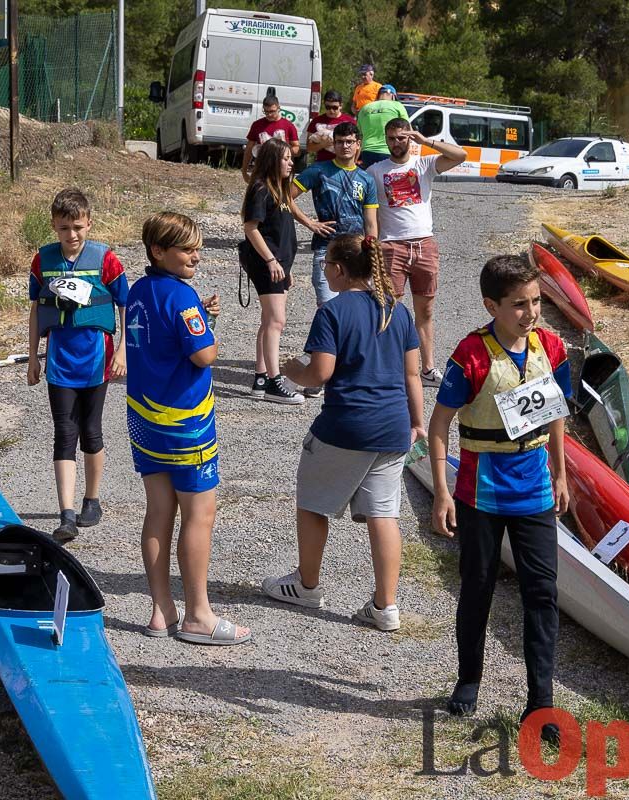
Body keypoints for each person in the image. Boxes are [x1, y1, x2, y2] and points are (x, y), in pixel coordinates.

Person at [427, 255, 572, 745]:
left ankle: (542, 703)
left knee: (542, 594)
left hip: (532, 489)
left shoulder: (550, 346)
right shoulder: (470, 353)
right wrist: (442, 492)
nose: (531, 313)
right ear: (492, 305)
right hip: (481, 492)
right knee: (478, 588)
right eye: (519, 305)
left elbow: (556, 412)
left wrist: (560, 473)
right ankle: (469, 680)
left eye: (536, 302)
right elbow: (439, 424)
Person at [263, 233, 425, 633]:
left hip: (346, 424)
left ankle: (307, 584)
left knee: (313, 502)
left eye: (325, 266)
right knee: (383, 514)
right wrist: (417, 422)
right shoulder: (397, 311)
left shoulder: (332, 312)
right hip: (393, 427)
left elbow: (320, 373)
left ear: (337, 269)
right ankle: (385, 606)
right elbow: (411, 374)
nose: (324, 272)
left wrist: (289, 370)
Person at [126, 211, 251, 646]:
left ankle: (161, 610)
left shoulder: (138, 290)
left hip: (144, 420)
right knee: (199, 515)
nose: (196, 254)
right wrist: (206, 321)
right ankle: (199, 614)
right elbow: (204, 356)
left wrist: (201, 312)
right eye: (187, 248)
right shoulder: (182, 297)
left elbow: (162, 340)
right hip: (186, 424)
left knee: (158, 512)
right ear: (159, 251)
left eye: (197, 247)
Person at [26, 188, 128, 542]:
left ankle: (92, 499)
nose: (71, 235)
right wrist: (33, 356)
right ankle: (66, 513)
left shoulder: (106, 259)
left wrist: (122, 352)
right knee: (64, 433)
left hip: (97, 357)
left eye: (77, 227)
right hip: (59, 359)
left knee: (91, 430)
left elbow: (124, 305)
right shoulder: (43, 260)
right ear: (54, 226)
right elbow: (37, 308)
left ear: (89, 224)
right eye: (63, 228)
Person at [367, 118, 466, 387]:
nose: (396, 143)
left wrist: (426, 141)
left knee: (425, 312)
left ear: (409, 138)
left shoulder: (424, 165)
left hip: (424, 245)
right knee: (389, 310)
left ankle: (428, 369)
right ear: (385, 140)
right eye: (391, 138)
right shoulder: (376, 170)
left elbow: (460, 155)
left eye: (401, 137)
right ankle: (390, 368)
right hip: (392, 246)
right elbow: (368, 209)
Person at [239, 137, 317, 404]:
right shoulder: (260, 188)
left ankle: (260, 377)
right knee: (276, 321)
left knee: (268, 321)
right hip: (266, 264)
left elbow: (282, 230)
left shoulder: (279, 189)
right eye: (285, 159)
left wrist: (285, 265)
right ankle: (275, 381)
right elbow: (251, 228)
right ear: (273, 160)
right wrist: (272, 261)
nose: (290, 163)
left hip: (279, 265)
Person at [290, 122, 379, 312]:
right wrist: (309, 223)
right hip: (326, 250)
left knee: (357, 310)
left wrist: (373, 253)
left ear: (358, 144)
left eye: (349, 142)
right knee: (329, 310)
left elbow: (371, 221)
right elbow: (283, 196)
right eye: (340, 142)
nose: (345, 146)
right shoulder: (318, 170)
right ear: (333, 144)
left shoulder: (367, 179)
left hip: (357, 252)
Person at [241, 94, 300, 184]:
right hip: (262, 169)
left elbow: (297, 148)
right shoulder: (257, 125)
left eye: (272, 111)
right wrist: (244, 170)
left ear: (279, 108)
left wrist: (283, 151)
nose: (269, 114)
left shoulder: (288, 126)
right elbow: (249, 149)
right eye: (266, 111)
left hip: (281, 170)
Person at [356, 85, 409, 168]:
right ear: (393, 96)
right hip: (389, 151)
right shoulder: (397, 105)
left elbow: (359, 134)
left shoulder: (364, 109)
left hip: (367, 151)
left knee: (371, 179)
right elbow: (408, 130)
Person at [304, 90, 356, 164]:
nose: (331, 110)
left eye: (334, 107)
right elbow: (309, 148)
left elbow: (357, 145)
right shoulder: (316, 121)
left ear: (341, 106)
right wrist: (323, 144)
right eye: (328, 107)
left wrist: (354, 161)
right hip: (323, 163)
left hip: (344, 164)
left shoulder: (350, 121)